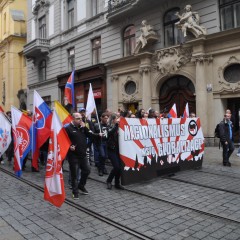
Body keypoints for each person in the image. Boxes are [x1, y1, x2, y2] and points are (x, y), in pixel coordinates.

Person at [65, 112, 102, 199]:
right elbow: (64, 141)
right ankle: (75, 191)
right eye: (78, 119)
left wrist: (98, 135)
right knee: (74, 174)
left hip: (83, 154)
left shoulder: (83, 127)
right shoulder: (68, 128)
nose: (80, 120)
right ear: (73, 119)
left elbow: (90, 134)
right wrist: (70, 147)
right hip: (73, 155)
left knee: (87, 170)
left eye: (81, 118)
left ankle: (81, 185)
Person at [106, 114, 124, 190]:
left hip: (118, 150)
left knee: (120, 168)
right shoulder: (109, 127)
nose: (118, 119)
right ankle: (109, 181)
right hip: (111, 149)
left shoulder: (119, 127)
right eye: (116, 118)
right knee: (116, 167)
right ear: (113, 119)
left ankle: (117, 183)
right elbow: (109, 134)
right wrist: (116, 125)